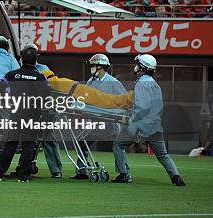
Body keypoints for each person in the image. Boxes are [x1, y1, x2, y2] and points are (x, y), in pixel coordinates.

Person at [112, 54, 186, 186]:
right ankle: (176, 177)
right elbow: (159, 107)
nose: (135, 67)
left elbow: (141, 107)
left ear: (143, 68)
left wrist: (132, 122)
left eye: (138, 65)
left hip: (140, 125)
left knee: (118, 144)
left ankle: (123, 174)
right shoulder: (155, 85)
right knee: (163, 155)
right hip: (155, 126)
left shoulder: (141, 83)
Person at [0, 44, 50, 182]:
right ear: (36, 60)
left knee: (10, 144)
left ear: (21, 59)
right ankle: (23, 176)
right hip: (33, 115)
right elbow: (47, 95)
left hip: (16, 113)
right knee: (28, 145)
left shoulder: (12, 74)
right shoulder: (40, 77)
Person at [71, 54, 127, 180]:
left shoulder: (113, 83)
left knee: (117, 145)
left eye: (93, 66)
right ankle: (82, 171)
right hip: (95, 123)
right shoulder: (91, 81)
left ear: (100, 67)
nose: (90, 68)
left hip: (110, 124)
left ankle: (124, 173)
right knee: (82, 143)